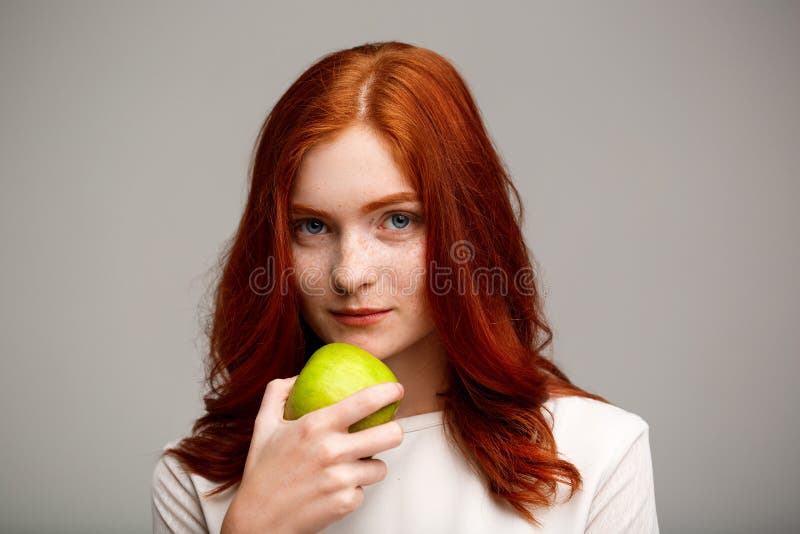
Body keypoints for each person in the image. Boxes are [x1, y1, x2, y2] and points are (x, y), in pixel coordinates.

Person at [151, 41, 659, 533]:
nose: (349, 275)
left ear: (469, 230)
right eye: (312, 226)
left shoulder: (594, 454)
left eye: (397, 220)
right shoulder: (200, 483)